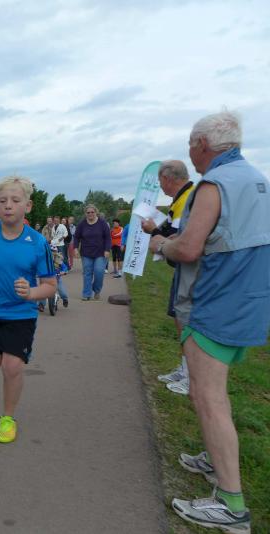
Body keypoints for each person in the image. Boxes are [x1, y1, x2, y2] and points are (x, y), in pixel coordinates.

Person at [152, 111, 268, 533]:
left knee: (207, 396)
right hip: (250, 299)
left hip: (217, 300)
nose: (189, 152)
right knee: (215, 393)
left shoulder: (214, 184)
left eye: (190, 144)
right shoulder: (256, 179)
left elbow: (189, 249)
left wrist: (161, 243)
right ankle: (216, 460)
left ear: (202, 144)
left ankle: (231, 504)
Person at [0, 176, 56, 443]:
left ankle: (8, 419)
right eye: (2, 201)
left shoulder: (37, 242)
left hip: (20, 313)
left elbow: (50, 285)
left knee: (12, 366)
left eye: (15, 200)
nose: (8, 205)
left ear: (28, 206)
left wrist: (31, 293)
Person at [141, 160, 196, 394]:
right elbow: (172, 232)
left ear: (167, 178)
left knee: (186, 319)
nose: (160, 186)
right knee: (178, 317)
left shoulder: (188, 199)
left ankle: (192, 375)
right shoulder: (180, 199)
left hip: (191, 270)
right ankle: (185, 369)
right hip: (184, 269)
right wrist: (158, 229)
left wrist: (153, 230)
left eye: (160, 181)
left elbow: (178, 238)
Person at [74, 205, 111, 301]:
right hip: (86, 253)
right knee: (87, 273)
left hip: (100, 253)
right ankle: (86, 294)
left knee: (99, 272)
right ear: (85, 213)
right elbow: (76, 237)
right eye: (88, 212)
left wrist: (107, 249)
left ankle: (96, 290)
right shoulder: (82, 224)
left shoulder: (102, 223)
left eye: (92, 212)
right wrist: (75, 248)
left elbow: (108, 237)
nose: (90, 214)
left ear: (96, 212)